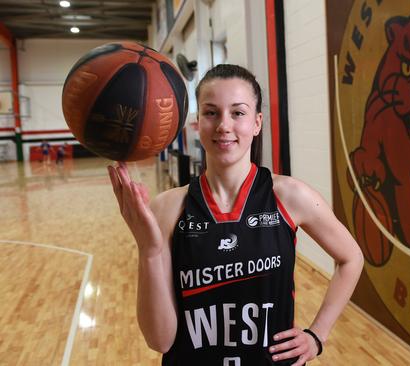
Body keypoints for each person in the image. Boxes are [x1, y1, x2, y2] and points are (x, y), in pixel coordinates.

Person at [108, 64, 364, 365]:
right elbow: (160, 340)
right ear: (197, 122)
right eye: (211, 112)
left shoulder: (290, 197)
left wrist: (317, 335)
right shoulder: (167, 208)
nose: (223, 125)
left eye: (238, 113)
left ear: (257, 123)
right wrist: (149, 253)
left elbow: (351, 259)